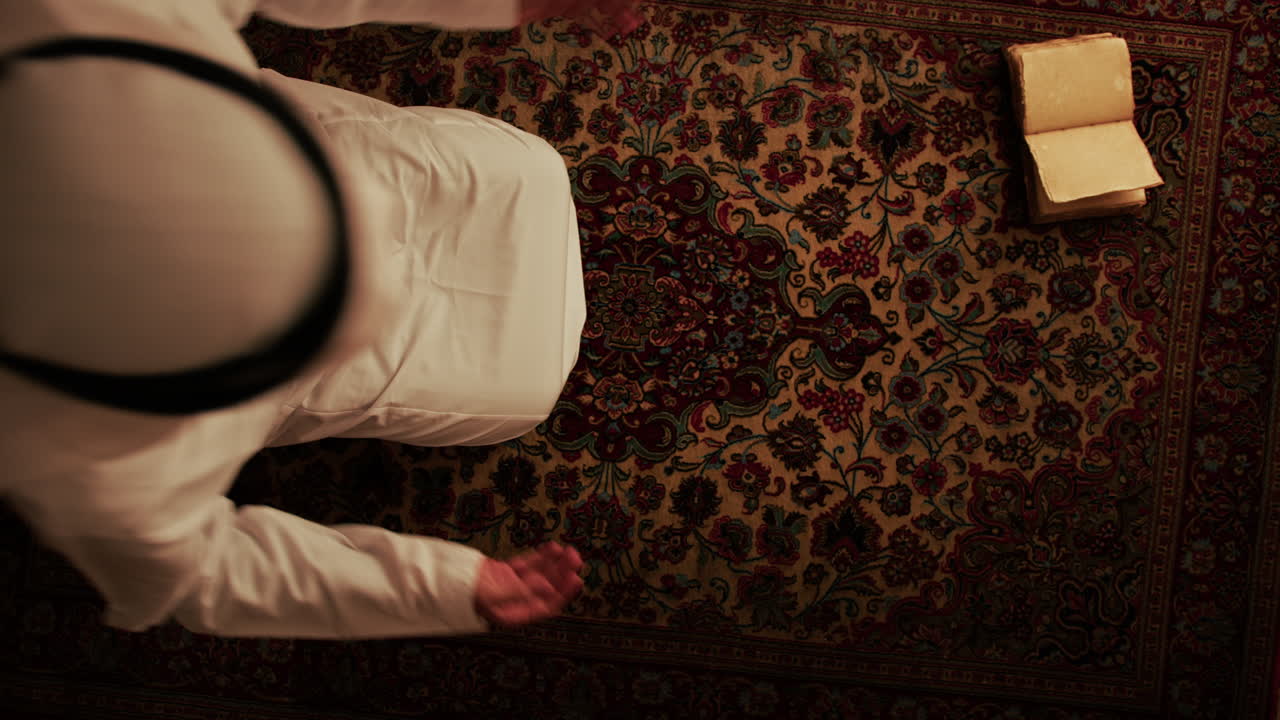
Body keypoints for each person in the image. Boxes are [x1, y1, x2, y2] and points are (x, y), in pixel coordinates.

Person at [0, 0, 639, 638]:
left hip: (309, 155)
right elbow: (207, 571)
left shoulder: (80, 18)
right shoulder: (92, 460)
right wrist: (433, 585)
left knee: (527, 172)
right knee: (513, 393)